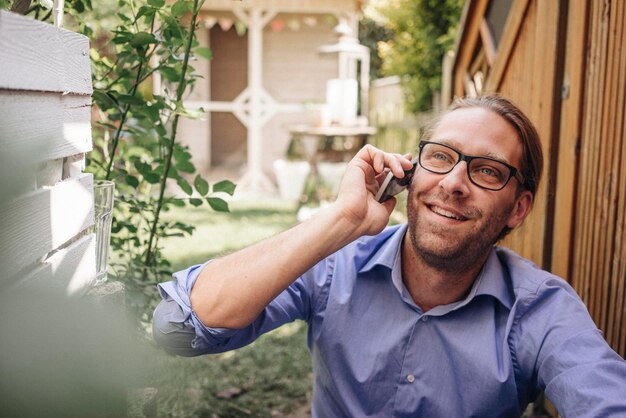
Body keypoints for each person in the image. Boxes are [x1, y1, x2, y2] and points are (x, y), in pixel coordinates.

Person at [153, 95, 626, 417]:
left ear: (517, 209)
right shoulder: (337, 261)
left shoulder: (541, 309)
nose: (454, 183)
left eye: (487, 170)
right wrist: (342, 219)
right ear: (411, 172)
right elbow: (178, 329)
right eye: (441, 157)